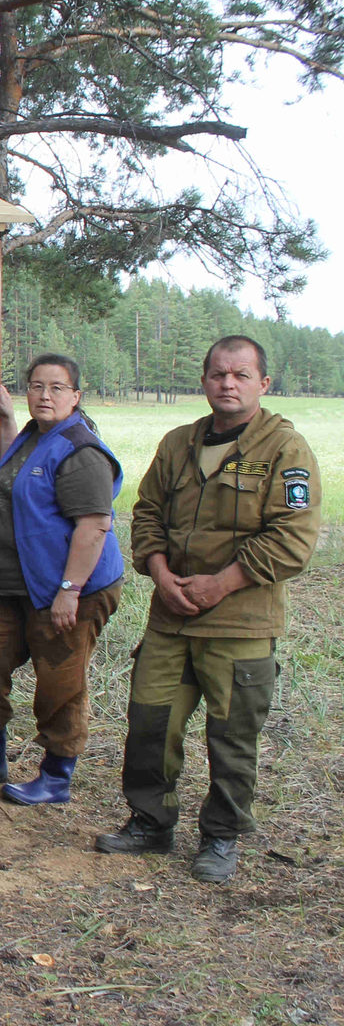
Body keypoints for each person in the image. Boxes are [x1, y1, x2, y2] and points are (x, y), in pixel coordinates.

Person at [97, 335, 321, 883]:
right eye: (218, 374)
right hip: (170, 617)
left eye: (241, 375)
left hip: (240, 623)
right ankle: (150, 823)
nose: (228, 384)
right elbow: (146, 511)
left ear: (263, 384)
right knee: (150, 723)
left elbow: (293, 538)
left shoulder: (285, 453)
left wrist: (222, 584)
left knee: (232, 737)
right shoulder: (178, 444)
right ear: (203, 381)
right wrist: (158, 570)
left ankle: (220, 837)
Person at [0, 355, 124, 804]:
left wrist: (70, 590)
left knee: (61, 681)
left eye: (57, 388)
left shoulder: (81, 451)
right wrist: (8, 421)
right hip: (9, 586)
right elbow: (13, 476)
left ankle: (56, 775)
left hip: (65, 589)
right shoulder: (33, 437)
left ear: (76, 396)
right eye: (37, 386)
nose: (45, 395)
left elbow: (94, 525)